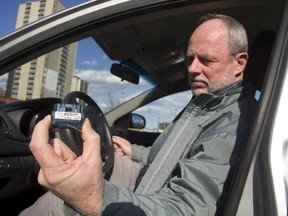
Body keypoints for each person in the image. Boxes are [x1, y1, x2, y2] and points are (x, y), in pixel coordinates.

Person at [21, 13, 257, 215]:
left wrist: (92, 198)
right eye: (191, 58)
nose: (193, 68)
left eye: (206, 60)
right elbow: (174, 154)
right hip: (151, 177)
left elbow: (184, 209)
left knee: (56, 203)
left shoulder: (234, 125)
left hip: (159, 196)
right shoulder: (205, 103)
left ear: (239, 63)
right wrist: (135, 152)